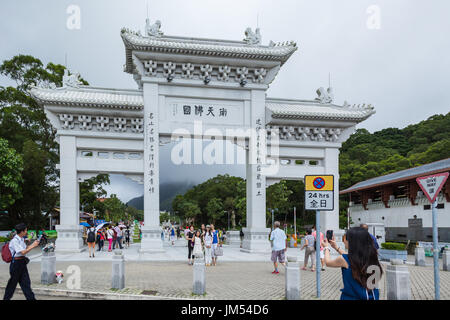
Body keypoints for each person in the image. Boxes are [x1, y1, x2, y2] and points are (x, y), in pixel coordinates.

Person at [322, 227, 383, 300]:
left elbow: (328, 262)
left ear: (351, 242)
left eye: (345, 239)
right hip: (372, 297)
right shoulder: (372, 258)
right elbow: (350, 258)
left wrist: (326, 248)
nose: (344, 241)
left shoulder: (344, 260)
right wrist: (336, 247)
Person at [3, 223, 40, 300]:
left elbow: (26, 248)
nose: (27, 232)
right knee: (12, 285)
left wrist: (33, 244)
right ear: (22, 231)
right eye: (26, 230)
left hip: (22, 263)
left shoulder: (21, 239)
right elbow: (22, 252)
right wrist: (33, 246)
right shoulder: (14, 241)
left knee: (26, 283)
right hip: (16, 264)